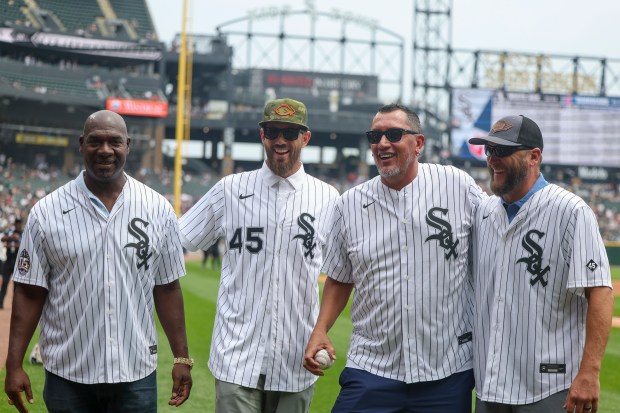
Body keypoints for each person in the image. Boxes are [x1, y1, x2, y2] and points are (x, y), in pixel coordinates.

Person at [4, 110, 193, 413]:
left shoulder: (158, 208)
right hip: (68, 373)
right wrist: (14, 364)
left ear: (128, 145)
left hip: (135, 372)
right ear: (81, 144)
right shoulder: (47, 211)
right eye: (95, 141)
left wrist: (181, 357)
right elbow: (29, 293)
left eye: (114, 142)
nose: (105, 150)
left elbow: (168, 287)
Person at [304, 103, 485, 412]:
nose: (382, 143)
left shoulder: (457, 185)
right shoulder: (349, 204)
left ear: (419, 143)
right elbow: (339, 278)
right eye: (375, 136)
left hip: (445, 371)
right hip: (373, 367)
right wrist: (320, 329)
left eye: (393, 134)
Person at [179, 98, 339, 413]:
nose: (280, 139)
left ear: (304, 138)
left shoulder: (328, 198)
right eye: (272, 131)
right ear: (262, 135)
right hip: (236, 355)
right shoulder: (229, 190)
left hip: (297, 357)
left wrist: (323, 329)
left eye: (290, 132)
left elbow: (342, 274)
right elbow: (179, 238)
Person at [468, 115, 614, 413]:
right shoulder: (483, 211)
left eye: (503, 151)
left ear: (534, 157)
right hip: (489, 383)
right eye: (489, 150)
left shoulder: (570, 211)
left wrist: (590, 372)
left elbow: (600, 292)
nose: (493, 159)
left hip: (548, 387)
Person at [0, 217, 23, 309]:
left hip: (18, 262)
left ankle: (16, 305)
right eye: (16, 223)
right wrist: (11, 238)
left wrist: (12, 243)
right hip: (8, 261)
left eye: (19, 223)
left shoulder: (23, 233)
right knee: (4, 282)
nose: (18, 225)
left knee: (17, 285)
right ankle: (0, 302)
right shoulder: (11, 232)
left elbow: (23, 245)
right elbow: (3, 239)